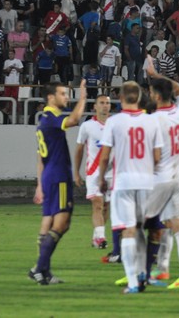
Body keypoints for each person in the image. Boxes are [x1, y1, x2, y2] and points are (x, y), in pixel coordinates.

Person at [98, 81, 163, 294]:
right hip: (147, 183)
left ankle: (133, 282)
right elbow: (157, 157)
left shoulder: (114, 121)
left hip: (123, 182)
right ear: (140, 97)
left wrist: (101, 178)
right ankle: (144, 272)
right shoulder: (152, 121)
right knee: (142, 228)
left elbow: (105, 156)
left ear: (121, 98)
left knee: (128, 229)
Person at [142, 59, 179, 290]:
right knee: (176, 224)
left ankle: (141, 272)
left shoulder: (152, 119)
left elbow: (150, 155)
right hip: (178, 176)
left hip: (160, 178)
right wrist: (156, 75)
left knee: (137, 223)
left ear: (156, 96)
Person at [28, 80, 88, 285]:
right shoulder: (52, 117)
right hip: (58, 175)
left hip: (49, 175)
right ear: (50, 97)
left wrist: (40, 184)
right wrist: (83, 98)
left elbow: (40, 157)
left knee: (49, 220)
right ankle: (39, 268)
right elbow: (74, 120)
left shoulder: (44, 119)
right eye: (63, 94)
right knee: (62, 223)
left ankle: (43, 270)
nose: (66, 97)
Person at [73, 95, 112, 250]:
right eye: (101, 103)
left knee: (106, 207)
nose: (105, 105)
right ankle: (101, 238)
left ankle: (97, 236)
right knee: (97, 203)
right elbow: (79, 149)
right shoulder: (87, 126)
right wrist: (76, 172)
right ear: (95, 106)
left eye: (107, 103)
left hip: (111, 172)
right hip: (93, 172)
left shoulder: (115, 125)